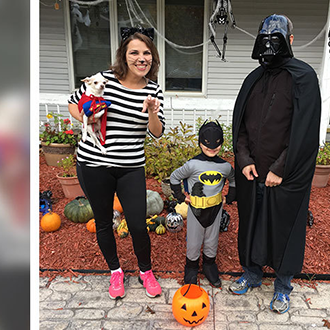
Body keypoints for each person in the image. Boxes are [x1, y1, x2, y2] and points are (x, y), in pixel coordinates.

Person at [229, 14, 321, 314]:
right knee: (252, 224)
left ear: (290, 40)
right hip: (252, 171)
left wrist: (280, 169)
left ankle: (282, 286)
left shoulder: (303, 77)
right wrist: (243, 160)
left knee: (284, 229)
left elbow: (305, 130)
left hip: (285, 173)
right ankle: (253, 274)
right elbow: (239, 125)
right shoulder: (253, 79)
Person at [67, 29, 165, 300]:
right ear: (124, 55)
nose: (140, 58)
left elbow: (157, 132)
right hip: (93, 164)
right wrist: (86, 118)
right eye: (134, 52)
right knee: (103, 222)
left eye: (146, 53)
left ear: (152, 58)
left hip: (131, 166)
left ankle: (145, 271)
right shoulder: (104, 79)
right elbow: (73, 104)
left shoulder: (154, 89)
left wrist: (153, 112)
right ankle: (115, 271)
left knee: (136, 223)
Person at [169, 121, 236, 287]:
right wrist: (181, 196)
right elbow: (174, 177)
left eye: (216, 145)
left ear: (221, 143)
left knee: (212, 240)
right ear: (200, 143)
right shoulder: (192, 165)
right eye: (208, 145)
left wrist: (231, 197)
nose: (212, 148)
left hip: (216, 209)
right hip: (196, 210)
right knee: (193, 242)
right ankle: (191, 268)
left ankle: (209, 265)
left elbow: (234, 181)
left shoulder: (225, 167)